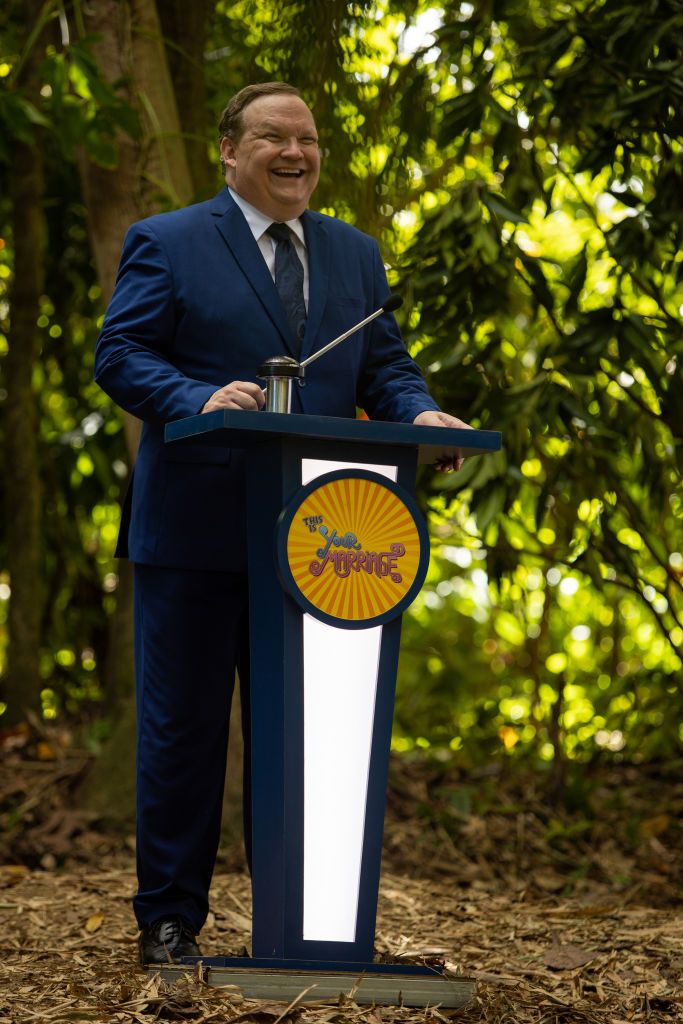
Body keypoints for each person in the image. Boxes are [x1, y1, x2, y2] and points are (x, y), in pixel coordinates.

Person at [94, 81, 470, 966]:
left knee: (309, 739)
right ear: (230, 150)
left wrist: (419, 414)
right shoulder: (168, 240)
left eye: (307, 139)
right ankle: (169, 922)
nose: (295, 153)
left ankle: (302, 927)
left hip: (323, 543)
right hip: (193, 534)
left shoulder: (354, 254)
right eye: (274, 137)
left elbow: (385, 367)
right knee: (183, 736)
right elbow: (121, 353)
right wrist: (195, 396)